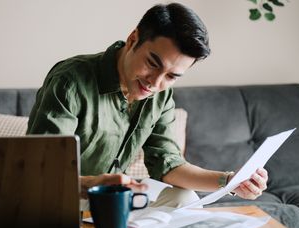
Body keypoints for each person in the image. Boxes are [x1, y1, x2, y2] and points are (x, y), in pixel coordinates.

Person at [27, 2, 268, 208]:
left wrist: (230, 181)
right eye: (153, 63)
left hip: (115, 202)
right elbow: (42, 173)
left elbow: (169, 165)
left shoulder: (161, 96)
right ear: (133, 39)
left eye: (172, 76)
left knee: (183, 197)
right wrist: (95, 184)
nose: (156, 82)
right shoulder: (70, 80)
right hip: (59, 197)